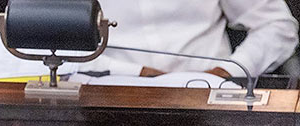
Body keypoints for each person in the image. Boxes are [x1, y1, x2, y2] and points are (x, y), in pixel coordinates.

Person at [78, 0, 299, 78]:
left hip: (209, 99)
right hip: (108, 96)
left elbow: (277, 26)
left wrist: (229, 72)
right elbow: (51, 41)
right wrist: (134, 74)